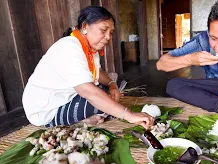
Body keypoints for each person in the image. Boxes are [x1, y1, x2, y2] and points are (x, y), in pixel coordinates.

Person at [22, 6, 154, 129]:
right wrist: (130, 116)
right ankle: (82, 121)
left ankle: (89, 116)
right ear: (85, 26)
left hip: (68, 97)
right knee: (101, 101)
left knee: (113, 83)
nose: (108, 37)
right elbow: (89, 92)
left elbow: (98, 71)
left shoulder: (90, 49)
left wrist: (112, 84)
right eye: (103, 30)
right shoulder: (69, 48)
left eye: (111, 32)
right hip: (46, 110)